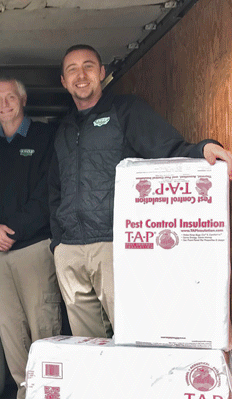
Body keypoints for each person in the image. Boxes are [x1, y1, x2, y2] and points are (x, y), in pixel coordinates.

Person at [49, 44, 232, 339]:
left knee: (130, 335)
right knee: (86, 345)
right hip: (70, 251)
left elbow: (166, 149)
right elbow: (54, 190)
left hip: (113, 245)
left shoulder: (126, 110)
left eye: (88, 66)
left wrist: (202, 149)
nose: (80, 75)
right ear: (63, 81)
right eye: (72, 69)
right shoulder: (63, 129)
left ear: (102, 73)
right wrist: (57, 243)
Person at [0, 77, 62, 399]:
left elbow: (48, 192)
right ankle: (26, 392)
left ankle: (49, 391)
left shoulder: (46, 138)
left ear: (23, 99)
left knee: (43, 324)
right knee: (9, 329)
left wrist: (14, 229)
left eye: (10, 97)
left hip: (34, 247)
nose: (4, 104)